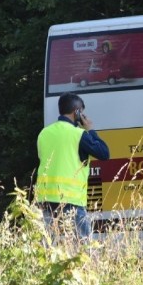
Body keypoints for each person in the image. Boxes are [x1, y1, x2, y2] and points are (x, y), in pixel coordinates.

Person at [36, 92, 110, 241]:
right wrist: (91, 130)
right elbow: (104, 153)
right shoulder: (79, 134)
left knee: (47, 245)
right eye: (81, 111)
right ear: (76, 111)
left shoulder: (44, 133)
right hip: (71, 199)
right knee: (84, 246)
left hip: (45, 198)